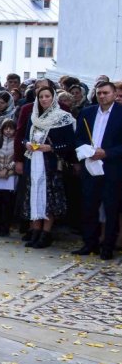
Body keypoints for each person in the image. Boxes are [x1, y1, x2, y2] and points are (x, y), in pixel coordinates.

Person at [20, 85, 75, 249]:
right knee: (34, 196)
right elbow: (23, 138)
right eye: (41, 97)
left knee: (48, 199)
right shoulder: (33, 116)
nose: (44, 99)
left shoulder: (62, 117)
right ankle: (35, 231)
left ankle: (46, 233)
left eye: (47, 96)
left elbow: (70, 143)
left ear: (53, 98)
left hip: (50, 163)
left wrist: (51, 148)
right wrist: (27, 144)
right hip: (34, 161)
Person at [73, 80, 122, 259]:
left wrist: (106, 153)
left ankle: (108, 246)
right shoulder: (87, 113)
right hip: (90, 166)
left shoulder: (120, 113)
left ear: (115, 94)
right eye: (99, 93)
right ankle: (89, 243)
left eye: (106, 93)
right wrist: (85, 151)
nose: (102, 96)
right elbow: (78, 138)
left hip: (112, 169)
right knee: (89, 206)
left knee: (111, 209)